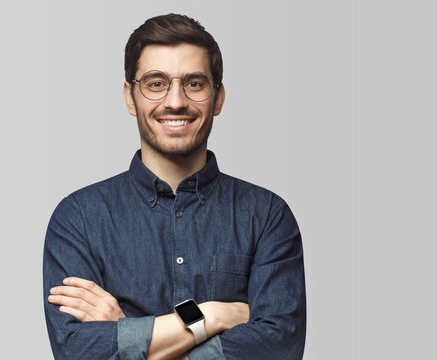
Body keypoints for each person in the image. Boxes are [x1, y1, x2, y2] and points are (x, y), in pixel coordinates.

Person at [43, 13, 306, 360]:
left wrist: (130, 338)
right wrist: (211, 316)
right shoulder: (78, 218)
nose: (176, 101)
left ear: (218, 97)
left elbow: (279, 347)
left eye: (194, 83)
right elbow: (77, 350)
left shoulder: (268, 215)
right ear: (129, 96)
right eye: (156, 83)